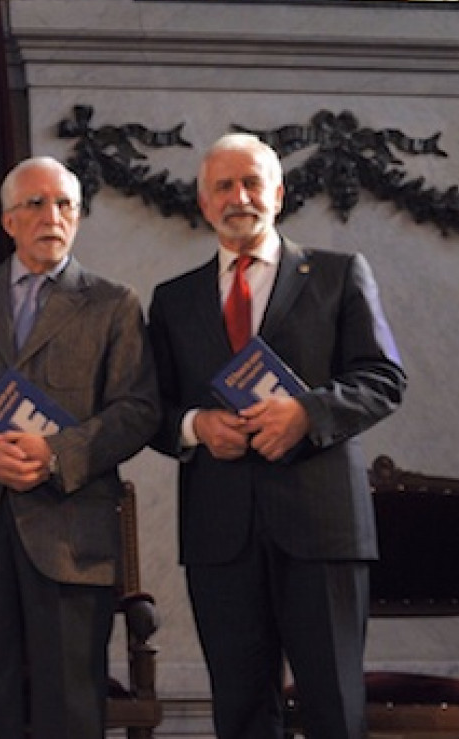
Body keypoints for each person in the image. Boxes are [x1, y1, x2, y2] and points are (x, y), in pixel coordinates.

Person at [147, 133, 406, 739]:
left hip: (322, 528)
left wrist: (306, 415)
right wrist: (196, 425)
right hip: (219, 532)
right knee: (239, 711)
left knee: (333, 708)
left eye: (252, 183)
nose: (240, 197)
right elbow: (149, 409)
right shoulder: (173, 299)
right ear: (204, 203)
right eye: (223, 187)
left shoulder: (339, 274)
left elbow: (384, 378)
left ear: (279, 193)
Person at [0, 156, 159, 738]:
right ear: (8, 221)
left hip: (73, 534)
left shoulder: (112, 303)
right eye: (36, 204)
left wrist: (55, 454)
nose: (52, 216)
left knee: (70, 708)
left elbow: (139, 410)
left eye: (65, 204)